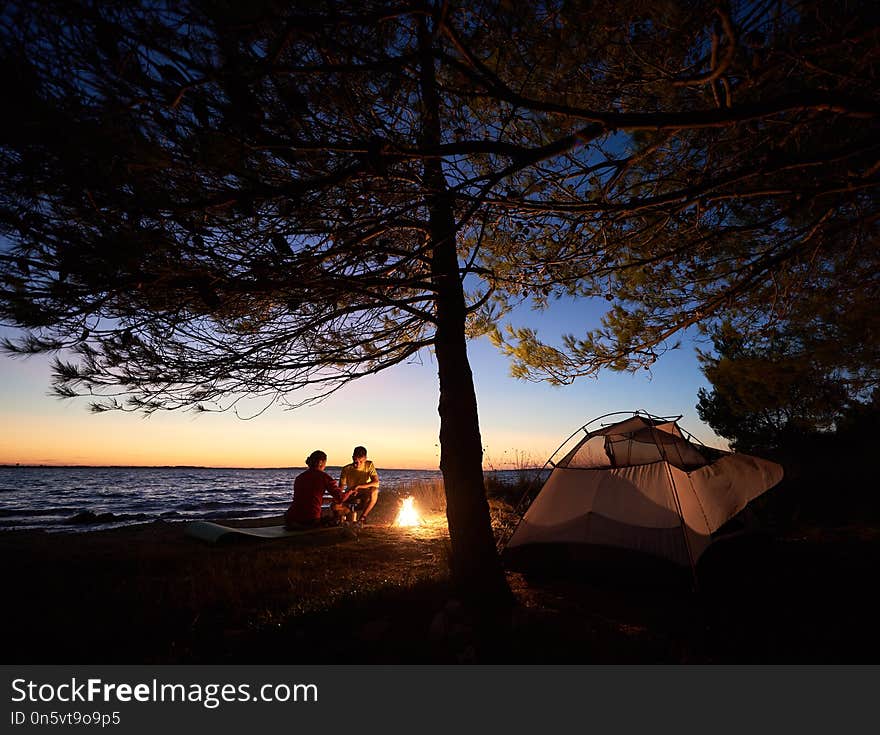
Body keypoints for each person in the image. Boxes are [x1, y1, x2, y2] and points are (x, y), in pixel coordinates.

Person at [284, 450, 351, 530]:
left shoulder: (299, 477)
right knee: (345, 510)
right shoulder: (324, 477)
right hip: (310, 519)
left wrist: (330, 500)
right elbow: (341, 498)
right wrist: (351, 491)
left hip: (291, 517)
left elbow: (308, 499)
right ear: (321, 462)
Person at [339, 446, 380, 524]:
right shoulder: (346, 469)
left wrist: (359, 486)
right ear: (352, 458)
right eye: (355, 461)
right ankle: (343, 517)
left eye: (360, 462)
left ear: (365, 459)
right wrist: (345, 495)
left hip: (363, 493)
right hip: (351, 493)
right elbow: (340, 488)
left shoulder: (369, 465)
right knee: (335, 505)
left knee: (374, 491)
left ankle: (362, 518)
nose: (357, 464)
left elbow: (376, 482)